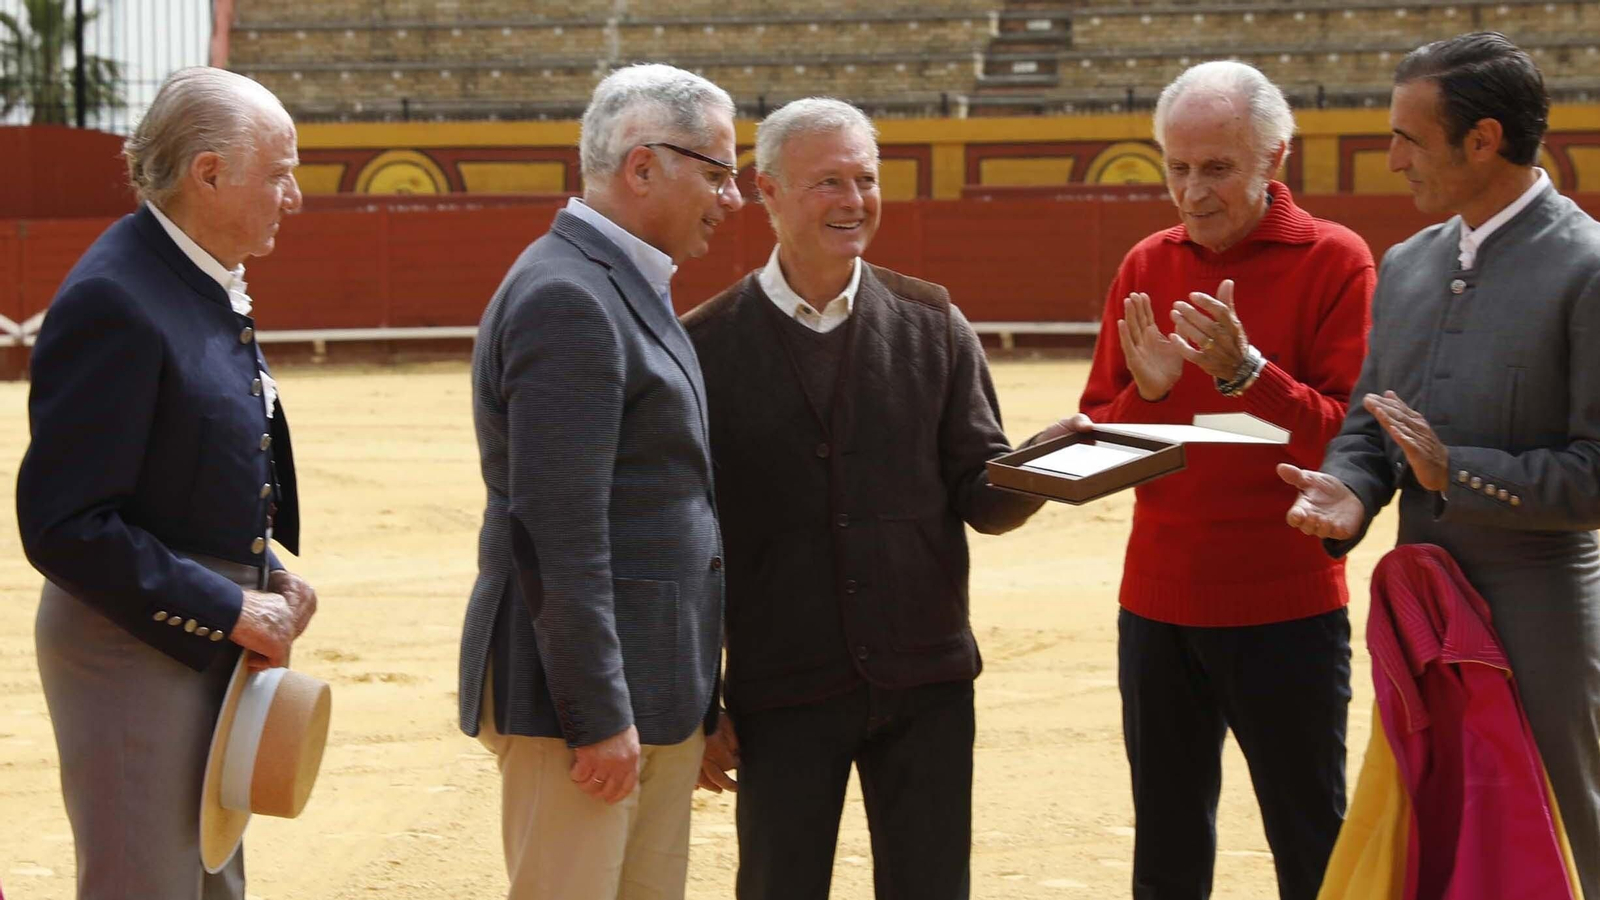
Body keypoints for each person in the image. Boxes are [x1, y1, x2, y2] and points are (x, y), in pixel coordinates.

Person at [683, 97, 1049, 900]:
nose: (854, 201)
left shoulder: (931, 319)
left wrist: (1042, 474)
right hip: (782, 688)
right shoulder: (703, 346)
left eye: (866, 179)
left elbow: (980, 492)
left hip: (927, 682)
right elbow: (690, 547)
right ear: (768, 192)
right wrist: (699, 700)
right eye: (828, 183)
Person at [1281, 32, 1600, 898]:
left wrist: (1451, 472)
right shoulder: (1411, 264)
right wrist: (1348, 491)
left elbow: (1594, 474)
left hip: (1540, 614)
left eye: (1407, 139)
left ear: (1484, 140)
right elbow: (1368, 427)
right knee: (1435, 821)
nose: (1390, 160)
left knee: (1565, 827)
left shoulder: (1588, 268)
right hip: (1423, 608)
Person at [1076, 61, 1375, 899]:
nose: (1191, 191)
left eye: (1217, 168)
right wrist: (1152, 394)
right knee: (1166, 848)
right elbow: (1102, 434)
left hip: (1286, 606)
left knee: (1309, 837)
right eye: (1177, 167)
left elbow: (1353, 441)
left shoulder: (1336, 261)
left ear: (1274, 159)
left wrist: (1250, 373)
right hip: (1158, 604)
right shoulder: (1146, 263)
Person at [16, 67, 314, 899]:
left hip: (190, 631)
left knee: (209, 877)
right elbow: (65, 524)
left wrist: (269, 576)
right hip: (129, 649)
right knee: (146, 883)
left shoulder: (187, 274)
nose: (293, 197)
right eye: (279, 174)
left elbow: (178, 472)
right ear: (209, 174)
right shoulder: (118, 297)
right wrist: (228, 603)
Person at [458, 63, 743, 900]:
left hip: (644, 690)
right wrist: (597, 714)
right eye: (718, 172)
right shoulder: (570, 297)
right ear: (643, 165)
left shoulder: (615, 284)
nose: (731, 199)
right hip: (580, 709)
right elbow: (556, 529)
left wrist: (688, 703)